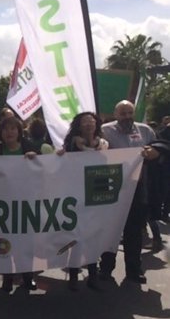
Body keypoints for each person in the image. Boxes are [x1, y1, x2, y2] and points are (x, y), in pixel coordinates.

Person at [100, 100, 159, 284]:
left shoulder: (146, 131)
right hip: (111, 189)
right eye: (123, 113)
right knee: (110, 231)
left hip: (137, 188)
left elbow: (158, 150)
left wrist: (153, 152)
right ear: (115, 114)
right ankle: (106, 269)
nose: (126, 117)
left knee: (134, 231)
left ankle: (134, 269)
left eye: (129, 113)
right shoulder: (104, 131)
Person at [0, 116, 39, 292]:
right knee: (3, 242)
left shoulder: (29, 147)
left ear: (19, 131)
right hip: (3, 204)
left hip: (25, 203)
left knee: (26, 241)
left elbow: (43, 169)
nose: (9, 132)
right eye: (5, 129)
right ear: (0, 133)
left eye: (13, 129)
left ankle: (27, 276)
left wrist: (36, 158)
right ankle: (7, 278)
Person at [61, 112, 108, 290]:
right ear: (79, 125)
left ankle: (93, 273)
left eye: (92, 121)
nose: (89, 125)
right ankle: (73, 274)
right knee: (75, 236)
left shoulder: (104, 144)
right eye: (85, 122)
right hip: (75, 196)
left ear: (96, 125)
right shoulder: (71, 144)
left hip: (95, 196)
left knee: (93, 236)